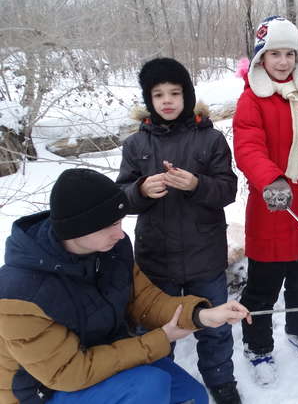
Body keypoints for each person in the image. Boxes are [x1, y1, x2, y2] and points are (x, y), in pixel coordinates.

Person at [0, 168, 250, 404]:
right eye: (110, 225)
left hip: (106, 355)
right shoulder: (19, 294)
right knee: (150, 387)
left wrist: (200, 315)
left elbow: (145, 300)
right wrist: (159, 340)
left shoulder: (111, 250)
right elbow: (69, 373)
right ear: (77, 229)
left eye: (120, 222)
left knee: (191, 396)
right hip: (43, 389)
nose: (120, 234)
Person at [116, 58, 241, 403]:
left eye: (175, 92)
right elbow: (121, 199)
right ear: (149, 100)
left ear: (187, 95)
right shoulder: (136, 146)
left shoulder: (210, 138)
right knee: (161, 326)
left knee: (213, 326)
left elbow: (227, 190)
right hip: (158, 257)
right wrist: (141, 190)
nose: (167, 100)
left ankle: (221, 381)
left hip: (205, 254)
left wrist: (196, 184)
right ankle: (164, 382)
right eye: (158, 94)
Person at [232, 16, 298, 386]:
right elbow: (247, 147)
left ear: (297, 57)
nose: (281, 61)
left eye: (288, 54)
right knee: (262, 288)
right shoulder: (251, 100)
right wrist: (270, 179)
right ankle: (257, 346)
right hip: (272, 208)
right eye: (273, 53)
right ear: (261, 58)